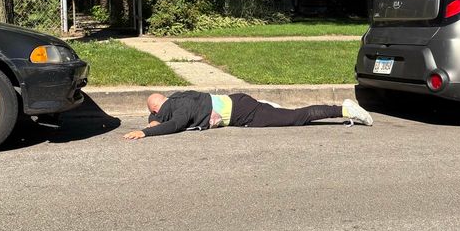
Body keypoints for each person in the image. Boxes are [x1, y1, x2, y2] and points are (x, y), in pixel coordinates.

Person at [123, 90, 373, 139]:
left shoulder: (179, 110)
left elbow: (174, 125)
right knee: (280, 113)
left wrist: (146, 132)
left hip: (245, 112)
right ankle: (267, 106)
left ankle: (343, 109)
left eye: (153, 115)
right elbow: (161, 116)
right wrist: (152, 122)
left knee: (295, 117)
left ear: (156, 110)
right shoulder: (177, 98)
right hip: (237, 101)